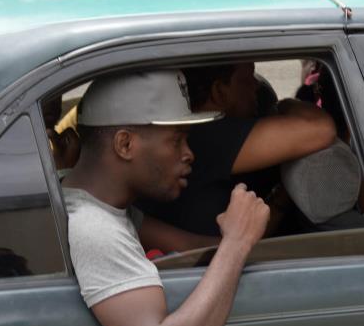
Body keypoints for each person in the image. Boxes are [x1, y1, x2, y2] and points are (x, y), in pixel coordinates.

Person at [61, 70, 270, 326]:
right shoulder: (94, 228)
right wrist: (237, 243)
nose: (189, 153)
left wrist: (250, 230)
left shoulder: (95, 202)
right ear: (125, 144)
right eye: (177, 140)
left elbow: (188, 245)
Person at [140, 62, 336, 237]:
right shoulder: (210, 134)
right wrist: (285, 103)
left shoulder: (196, 137)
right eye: (248, 77)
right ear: (219, 91)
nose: (257, 84)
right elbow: (320, 129)